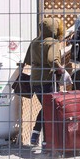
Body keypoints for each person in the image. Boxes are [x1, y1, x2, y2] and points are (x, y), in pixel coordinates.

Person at [24, 18, 71, 147]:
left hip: (35, 80)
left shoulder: (34, 41)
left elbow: (27, 59)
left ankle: (35, 135)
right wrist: (62, 70)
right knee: (49, 109)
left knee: (46, 107)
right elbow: (53, 59)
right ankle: (46, 140)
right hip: (47, 80)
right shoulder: (53, 42)